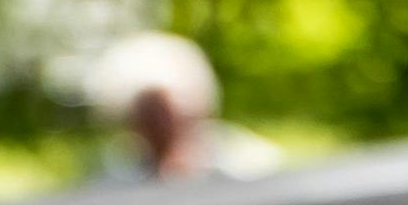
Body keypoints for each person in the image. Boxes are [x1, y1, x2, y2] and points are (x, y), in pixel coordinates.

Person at [83, 30, 277, 184]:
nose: (159, 122)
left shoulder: (242, 162)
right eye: (149, 113)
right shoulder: (117, 174)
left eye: (166, 110)